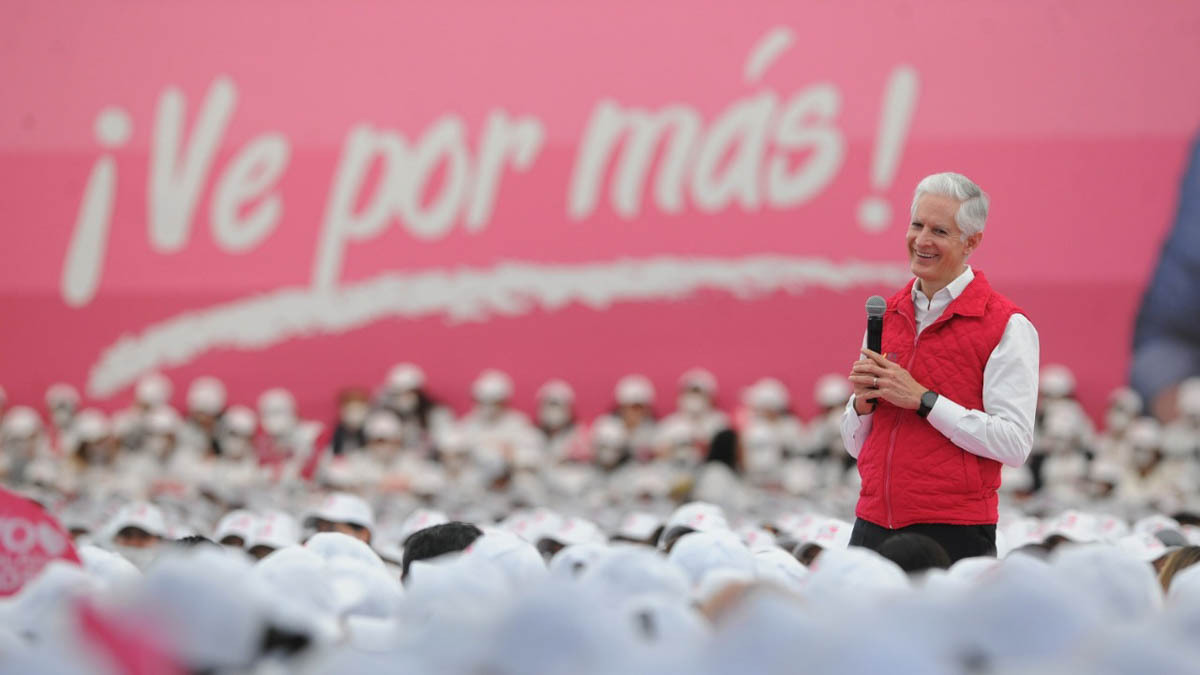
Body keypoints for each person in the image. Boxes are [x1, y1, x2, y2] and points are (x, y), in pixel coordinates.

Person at [840, 172, 1040, 563]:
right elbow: (855, 446)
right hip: (872, 522)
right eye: (917, 225)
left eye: (939, 231)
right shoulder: (886, 315)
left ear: (972, 242)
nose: (922, 240)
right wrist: (861, 407)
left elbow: (1015, 444)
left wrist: (924, 401)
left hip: (954, 530)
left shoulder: (1007, 325)